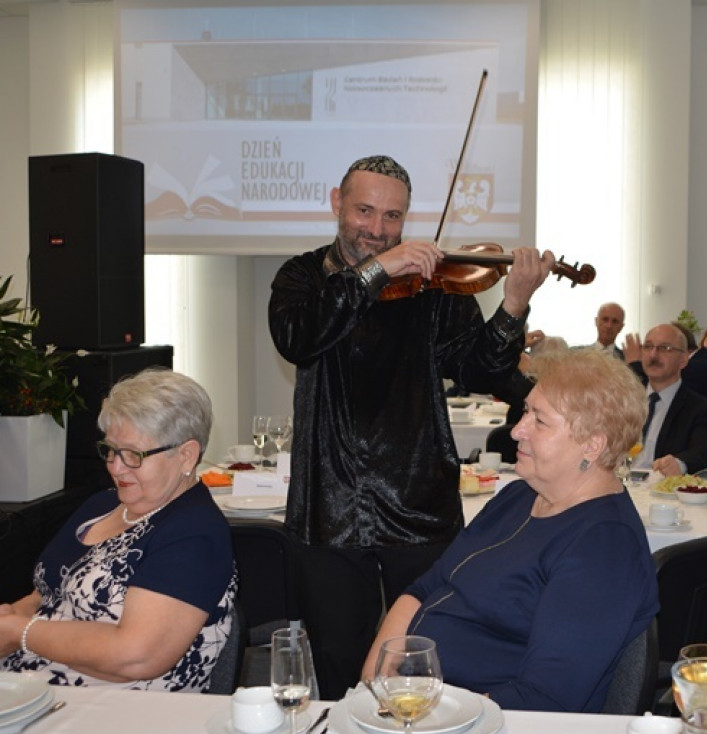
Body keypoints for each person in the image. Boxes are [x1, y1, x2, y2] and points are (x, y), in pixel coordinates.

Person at [268, 155, 553, 697]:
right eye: (365, 211)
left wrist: (513, 304)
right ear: (337, 203)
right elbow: (298, 337)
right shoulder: (301, 278)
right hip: (328, 510)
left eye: (393, 217)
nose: (377, 230)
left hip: (419, 506)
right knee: (335, 665)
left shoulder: (433, 288)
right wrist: (378, 271)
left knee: (427, 665)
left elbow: (482, 370)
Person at [360, 350, 659, 712]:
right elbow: (428, 586)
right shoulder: (519, 495)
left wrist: (425, 718)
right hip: (421, 701)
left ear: (592, 445)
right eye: (525, 412)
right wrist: (375, 682)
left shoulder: (604, 547)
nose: (517, 429)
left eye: (540, 421)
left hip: (492, 730)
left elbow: (545, 699)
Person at [0, 368, 235, 691]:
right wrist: (11, 616)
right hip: (29, 687)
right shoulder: (102, 505)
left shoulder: (194, 533)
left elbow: (134, 656)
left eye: (133, 455)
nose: (115, 466)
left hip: (111, 716)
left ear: (186, 455)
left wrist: (20, 633)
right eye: (111, 449)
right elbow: (46, 593)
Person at [627, 324, 707, 475]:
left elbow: (704, 452)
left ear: (683, 360)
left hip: (662, 491)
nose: (653, 355)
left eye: (665, 348)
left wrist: (680, 463)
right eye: (648, 347)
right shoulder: (624, 402)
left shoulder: (701, 408)